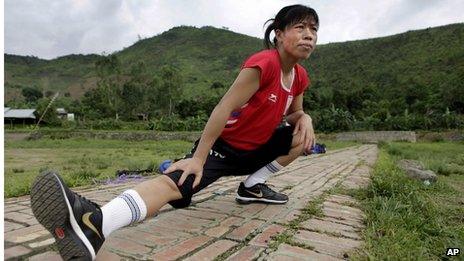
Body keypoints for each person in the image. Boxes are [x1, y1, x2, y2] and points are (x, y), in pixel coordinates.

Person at [30, 4, 319, 260]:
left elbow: (292, 113)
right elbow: (223, 107)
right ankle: (96, 223)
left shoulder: (300, 76)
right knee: (175, 184)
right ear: (279, 34)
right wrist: (199, 158)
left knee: (302, 138)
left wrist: (303, 116)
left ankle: (252, 186)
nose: (309, 35)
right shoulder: (264, 64)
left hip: (258, 147)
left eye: (314, 29)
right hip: (225, 148)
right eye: (300, 27)